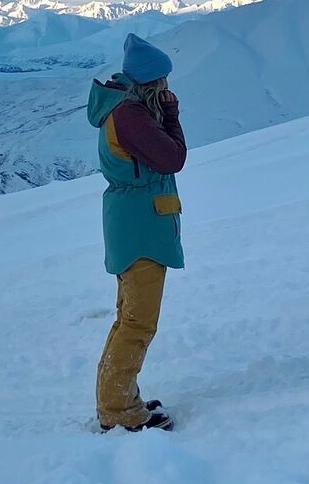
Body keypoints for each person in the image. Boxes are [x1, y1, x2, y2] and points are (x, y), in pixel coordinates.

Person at [87, 33, 186, 430]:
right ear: (152, 82)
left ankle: (121, 398)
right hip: (141, 225)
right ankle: (118, 411)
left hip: (134, 221)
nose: (167, 88)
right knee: (138, 322)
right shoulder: (130, 115)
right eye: (163, 81)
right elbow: (172, 158)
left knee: (128, 317)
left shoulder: (125, 109)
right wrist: (173, 115)